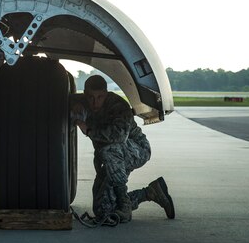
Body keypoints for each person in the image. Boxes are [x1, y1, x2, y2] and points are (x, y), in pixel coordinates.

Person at [71, 75, 175, 223]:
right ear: (85, 95)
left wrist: (87, 130)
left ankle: (125, 205)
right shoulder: (82, 102)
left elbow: (117, 138)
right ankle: (151, 192)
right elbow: (60, 99)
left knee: (109, 149)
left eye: (100, 97)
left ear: (106, 94)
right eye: (90, 97)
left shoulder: (119, 106)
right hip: (110, 160)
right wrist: (72, 108)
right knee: (103, 211)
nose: (95, 102)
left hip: (136, 149)